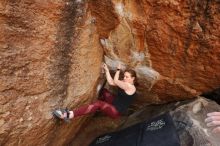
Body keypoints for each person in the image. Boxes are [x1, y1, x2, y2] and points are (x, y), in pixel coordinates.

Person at [53, 63, 137, 121]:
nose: (125, 78)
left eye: (127, 77)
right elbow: (111, 82)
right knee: (104, 92)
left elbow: (115, 79)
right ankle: (96, 109)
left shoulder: (130, 87)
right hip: (114, 103)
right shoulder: (125, 83)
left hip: (116, 111)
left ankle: (68, 115)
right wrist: (107, 70)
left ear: (133, 78)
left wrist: (118, 69)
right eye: (124, 76)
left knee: (98, 103)